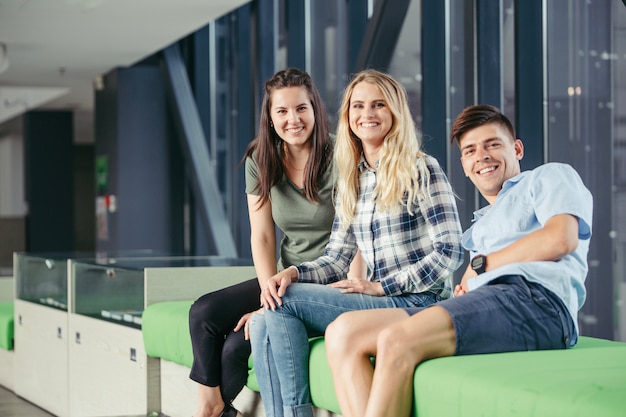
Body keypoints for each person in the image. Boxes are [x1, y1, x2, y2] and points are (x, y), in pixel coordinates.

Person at [324, 104, 593, 417]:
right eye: (470, 151)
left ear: (516, 149)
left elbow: (560, 239)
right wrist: (473, 282)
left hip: (538, 301)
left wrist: (483, 266)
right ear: (465, 166)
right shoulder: (481, 225)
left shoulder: (548, 177)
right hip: (497, 300)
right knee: (344, 333)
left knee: (397, 340)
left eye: (493, 144)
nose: (482, 156)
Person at [249, 69, 464, 417]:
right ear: (347, 117)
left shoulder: (421, 168)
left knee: (282, 300)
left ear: (395, 112)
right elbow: (336, 259)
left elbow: (450, 251)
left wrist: (382, 286)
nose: (367, 114)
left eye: (379, 105)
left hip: (419, 301)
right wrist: (292, 272)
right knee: (266, 315)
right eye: (358, 106)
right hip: (378, 298)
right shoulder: (353, 178)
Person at [187, 68, 364, 417]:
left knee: (237, 346)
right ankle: (212, 408)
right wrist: (268, 292)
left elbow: (358, 237)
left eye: (301, 108)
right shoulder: (261, 159)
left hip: (329, 281)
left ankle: (213, 413)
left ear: (315, 109)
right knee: (203, 313)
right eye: (281, 111)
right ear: (269, 117)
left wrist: (272, 308)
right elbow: (263, 235)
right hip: (284, 277)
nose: (292, 119)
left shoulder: (341, 157)